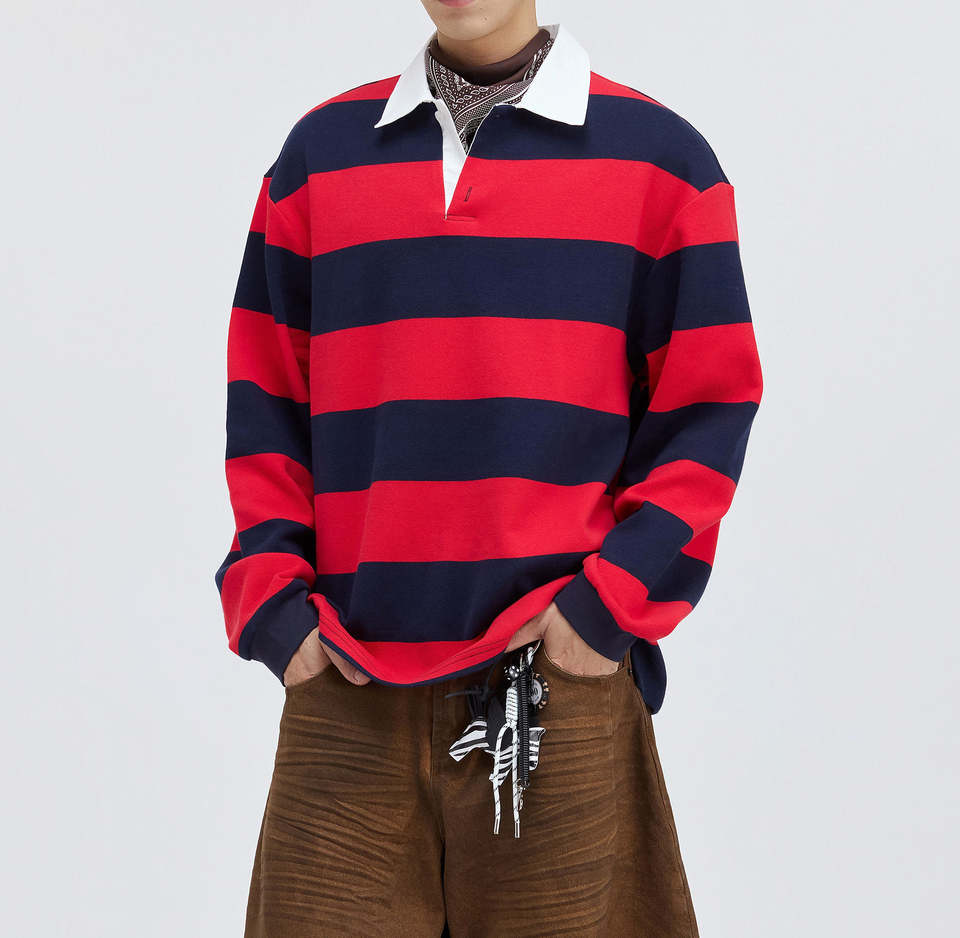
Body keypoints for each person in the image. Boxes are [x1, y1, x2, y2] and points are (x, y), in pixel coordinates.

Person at [215, 1, 763, 934]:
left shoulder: (662, 162)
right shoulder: (319, 158)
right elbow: (265, 394)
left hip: (552, 693)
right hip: (344, 689)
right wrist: (273, 607)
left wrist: (602, 615)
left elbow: (708, 411)